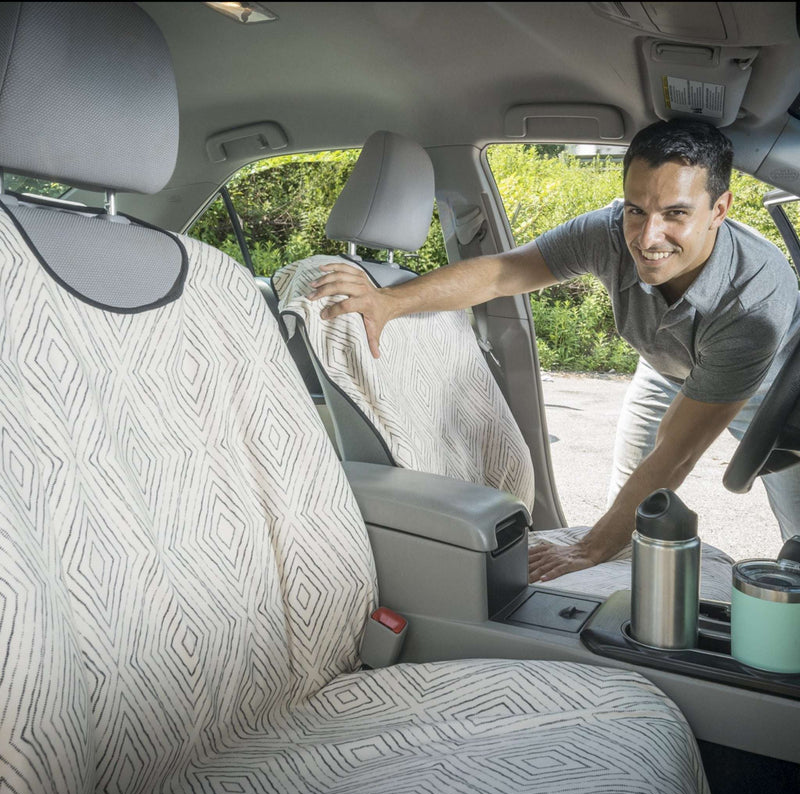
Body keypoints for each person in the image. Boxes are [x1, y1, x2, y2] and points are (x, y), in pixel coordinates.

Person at [307, 118, 800, 583]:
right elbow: (505, 272)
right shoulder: (608, 232)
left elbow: (679, 450)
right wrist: (389, 301)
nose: (648, 238)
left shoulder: (753, 300)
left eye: (675, 214)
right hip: (665, 365)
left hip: (769, 386)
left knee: (796, 525)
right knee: (633, 507)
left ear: (719, 209)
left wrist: (586, 550)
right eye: (636, 210)